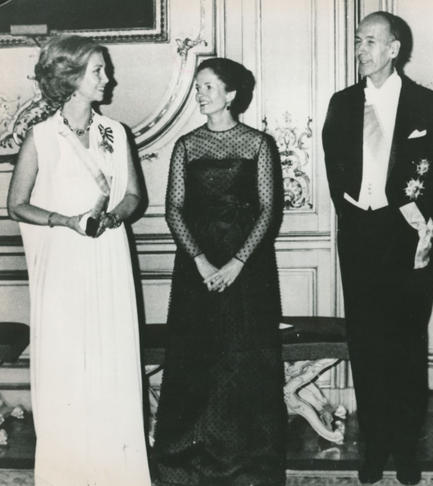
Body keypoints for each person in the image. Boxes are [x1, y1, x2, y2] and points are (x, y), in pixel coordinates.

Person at [322, 11, 433, 485]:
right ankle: (374, 446)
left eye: (370, 41)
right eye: (358, 41)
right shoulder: (343, 104)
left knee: (406, 345)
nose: (360, 50)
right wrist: (354, 212)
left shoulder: (432, 107)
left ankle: (405, 449)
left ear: (394, 48)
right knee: (366, 345)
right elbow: (334, 165)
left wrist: (426, 227)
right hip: (359, 236)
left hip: (408, 236)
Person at [6, 35, 151, 485]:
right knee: (67, 365)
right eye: (98, 71)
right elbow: (16, 205)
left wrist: (114, 216)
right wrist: (65, 220)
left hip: (108, 255)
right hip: (64, 263)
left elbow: (134, 195)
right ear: (69, 77)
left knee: (111, 364)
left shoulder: (115, 133)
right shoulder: (42, 138)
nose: (108, 79)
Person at [152, 57, 286, 486]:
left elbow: (268, 210)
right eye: (198, 87)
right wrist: (202, 261)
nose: (200, 94)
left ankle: (247, 463)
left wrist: (237, 263)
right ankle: (186, 462)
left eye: (207, 87)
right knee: (196, 359)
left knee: (244, 361)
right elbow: (173, 209)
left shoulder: (259, 144)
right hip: (198, 265)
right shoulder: (186, 146)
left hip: (248, 268)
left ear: (231, 94)